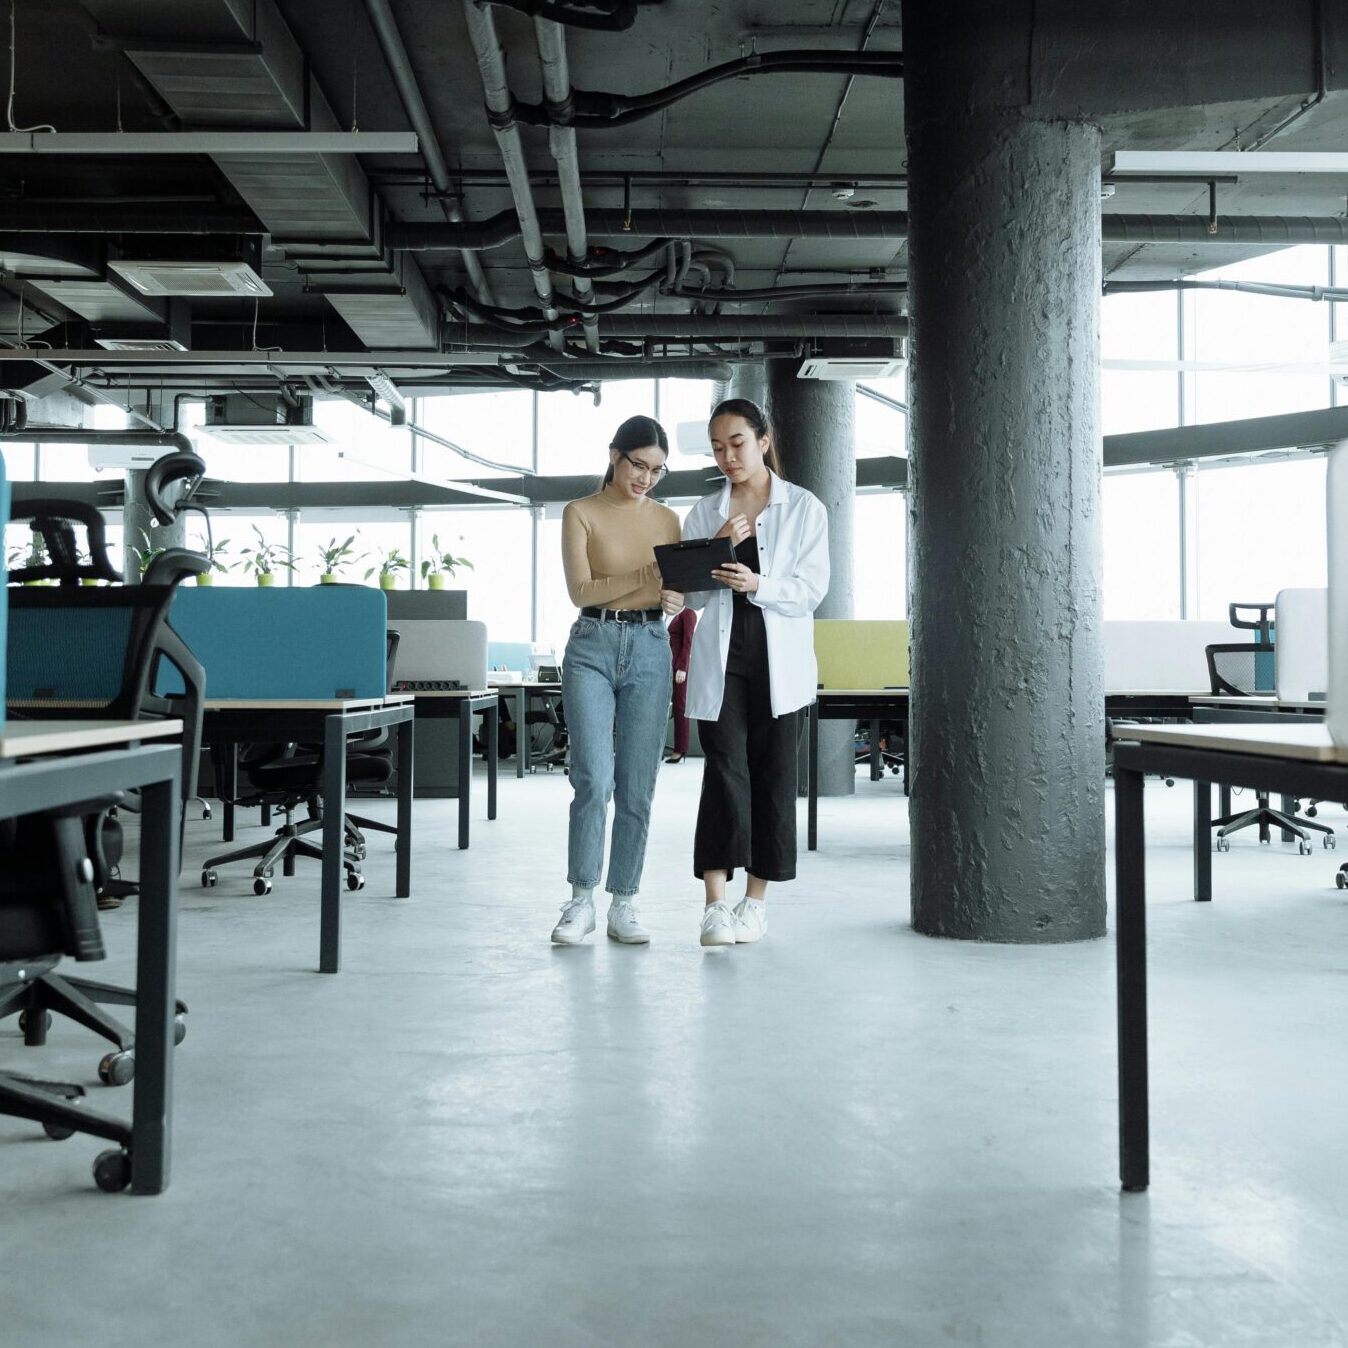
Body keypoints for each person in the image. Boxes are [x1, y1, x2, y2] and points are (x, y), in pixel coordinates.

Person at [680, 398, 829, 947]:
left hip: (779, 657)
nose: (727, 457)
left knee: (772, 777)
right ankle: (715, 904)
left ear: (763, 440)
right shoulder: (705, 510)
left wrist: (757, 584)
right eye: (717, 448)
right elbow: (691, 595)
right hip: (724, 657)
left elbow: (812, 590)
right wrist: (716, 544)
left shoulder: (805, 508)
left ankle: (755, 903)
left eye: (737, 444)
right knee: (723, 769)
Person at [551, 415, 684, 946]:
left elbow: (672, 591)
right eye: (638, 464)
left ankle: (623, 902)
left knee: (637, 787)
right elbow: (582, 591)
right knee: (593, 779)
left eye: (656, 470)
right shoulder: (580, 512)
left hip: (652, 646)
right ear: (614, 455)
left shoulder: (669, 521)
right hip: (591, 646)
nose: (646, 477)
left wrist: (673, 598)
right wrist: (648, 576)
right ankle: (580, 899)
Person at [665, 606, 697, 764]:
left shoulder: (688, 612)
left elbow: (688, 643)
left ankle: (680, 749)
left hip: (678, 668)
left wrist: (682, 667)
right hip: (661, 666)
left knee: (680, 707)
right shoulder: (665, 614)